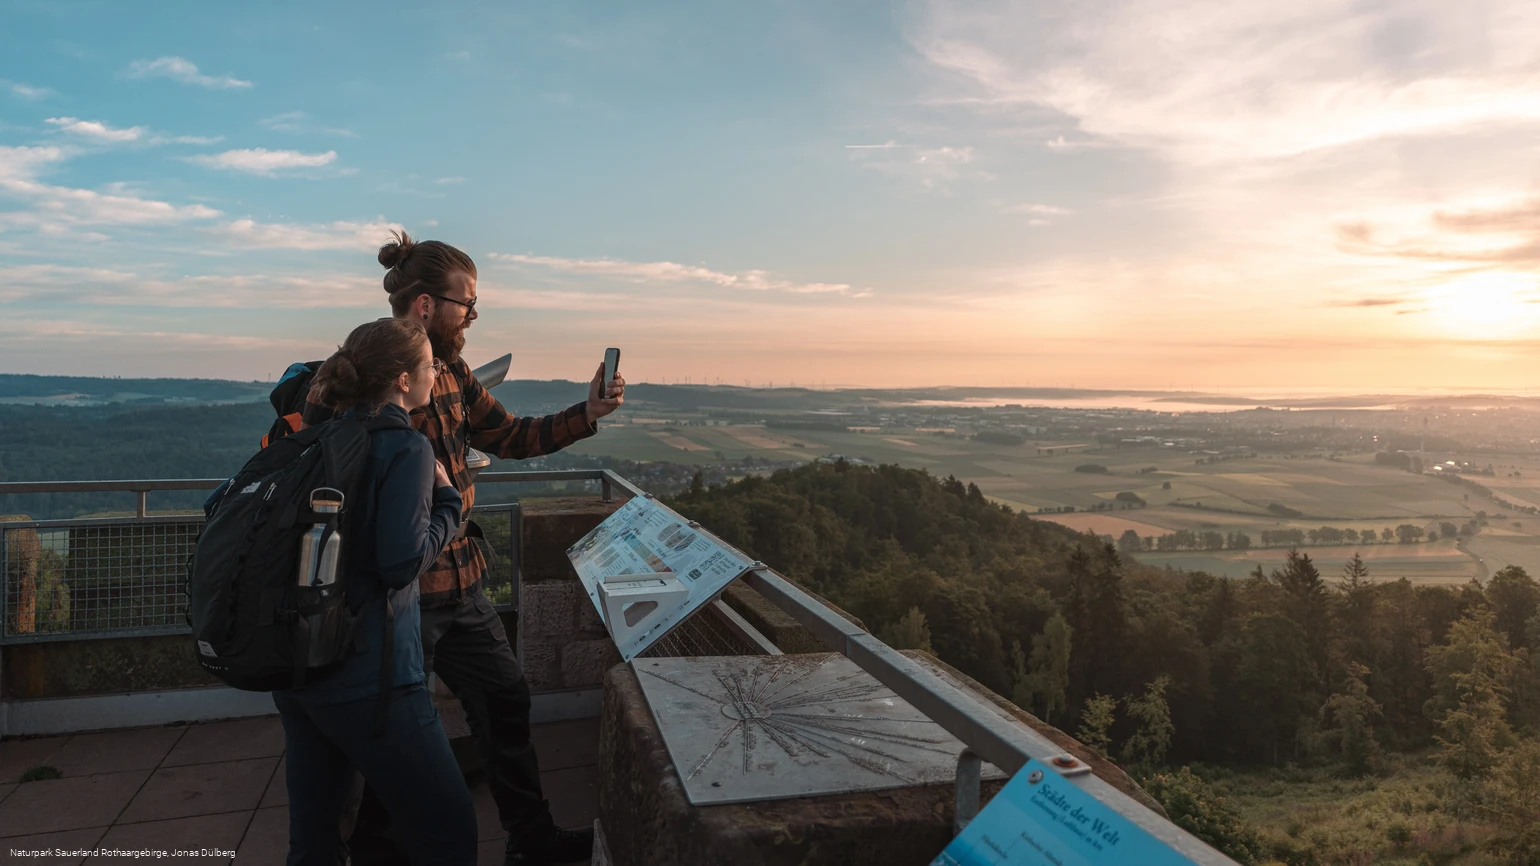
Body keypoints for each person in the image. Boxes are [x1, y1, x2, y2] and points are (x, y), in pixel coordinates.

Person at [300, 231, 625, 866]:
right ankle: (374, 853)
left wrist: (586, 413)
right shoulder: (361, 372)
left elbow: (512, 436)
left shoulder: (452, 374)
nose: (473, 316)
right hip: (395, 597)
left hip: (460, 585)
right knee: (394, 737)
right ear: (426, 305)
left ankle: (531, 842)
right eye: (466, 303)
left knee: (505, 703)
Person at [274, 317, 475, 866]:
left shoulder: (316, 437)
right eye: (431, 364)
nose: (436, 372)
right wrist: (449, 503)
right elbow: (401, 562)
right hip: (370, 675)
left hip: (300, 669)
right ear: (405, 380)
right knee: (449, 831)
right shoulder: (405, 447)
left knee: (314, 840)